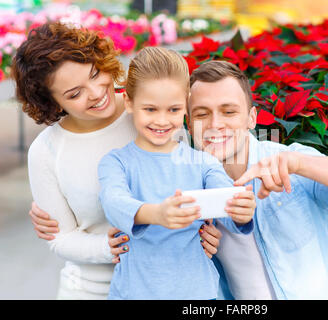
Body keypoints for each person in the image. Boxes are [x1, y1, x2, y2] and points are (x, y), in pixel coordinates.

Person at [26, 54, 328, 298]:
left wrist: (301, 165)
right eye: (202, 113)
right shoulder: (186, 177)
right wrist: (62, 212)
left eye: (229, 111)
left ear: (252, 118)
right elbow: (122, 188)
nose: (216, 124)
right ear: (187, 119)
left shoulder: (287, 161)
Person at [12, 22, 224, 300]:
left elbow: (193, 182)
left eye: (95, 73)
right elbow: (59, 238)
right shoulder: (47, 151)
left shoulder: (151, 110)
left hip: (172, 283)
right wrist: (113, 247)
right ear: (52, 103)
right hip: (92, 289)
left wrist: (209, 230)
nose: (97, 92)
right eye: (75, 94)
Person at [97, 46, 255, 300]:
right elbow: (113, 202)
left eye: (173, 109)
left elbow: (227, 200)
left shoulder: (204, 164)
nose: (162, 121)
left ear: (186, 105)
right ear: (128, 102)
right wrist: (157, 214)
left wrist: (241, 210)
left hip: (198, 295)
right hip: (134, 293)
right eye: (150, 109)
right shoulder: (116, 162)